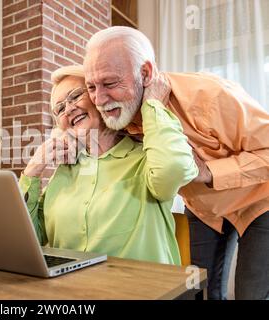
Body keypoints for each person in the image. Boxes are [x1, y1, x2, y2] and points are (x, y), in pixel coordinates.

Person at [83, 26, 269, 300]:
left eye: (110, 84)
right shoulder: (123, 116)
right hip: (205, 209)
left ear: (145, 74)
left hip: (258, 202)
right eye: (91, 87)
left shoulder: (210, 95)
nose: (98, 99)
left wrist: (209, 171)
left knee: (250, 295)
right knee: (196, 291)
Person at [19, 65, 198, 265]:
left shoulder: (147, 157)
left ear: (101, 97)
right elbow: (28, 240)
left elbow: (175, 168)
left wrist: (152, 104)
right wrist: (32, 170)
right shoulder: (63, 173)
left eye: (76, 96)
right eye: (60, 109)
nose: (68, 109)